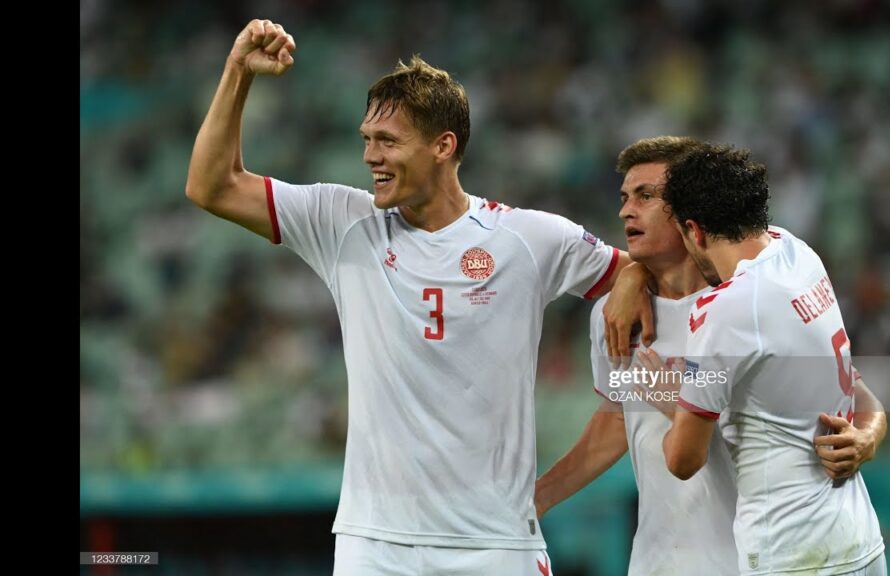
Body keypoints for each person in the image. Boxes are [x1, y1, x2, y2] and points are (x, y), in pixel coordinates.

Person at [185, 19, 637, 575]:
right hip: (374, 544)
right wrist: (236, 73)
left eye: (388, 142)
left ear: (443, 146)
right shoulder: (341, 221)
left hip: (494, 545)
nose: (370, 156)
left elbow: (638, 272)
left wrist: (632, 281)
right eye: (366, 140)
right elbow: (211, 185)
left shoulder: (528, 238)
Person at [538, 137, 888, 575]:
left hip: (747, 558)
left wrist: (867, 436)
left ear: (689, 214)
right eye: (625, 197)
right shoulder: (611, 318)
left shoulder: (739, 307)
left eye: (647, 196)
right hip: (658, 559)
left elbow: (852, 388)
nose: (627, 210)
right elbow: (616, 419)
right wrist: (539, 498)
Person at [649, 141, 886, 574]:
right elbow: (862, 394)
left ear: (694, 231)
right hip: (860, 543)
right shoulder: (800, 256)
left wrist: (668, 397)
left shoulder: (727, 309)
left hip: (792, 553)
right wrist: (868, 437)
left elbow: (683, 460)